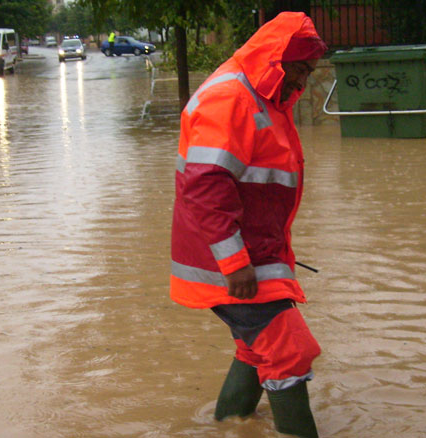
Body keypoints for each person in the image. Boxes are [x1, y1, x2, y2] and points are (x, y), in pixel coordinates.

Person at [169, 11, 327, 437]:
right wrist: (235, 261)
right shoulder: (233, 98)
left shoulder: (261, 95)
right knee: (291, 352)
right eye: (303, 70)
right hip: (233, 261)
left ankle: (228, 426)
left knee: (258, 348)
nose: (304, 82)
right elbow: (204, 185)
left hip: (253, 254)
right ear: (280, 60)